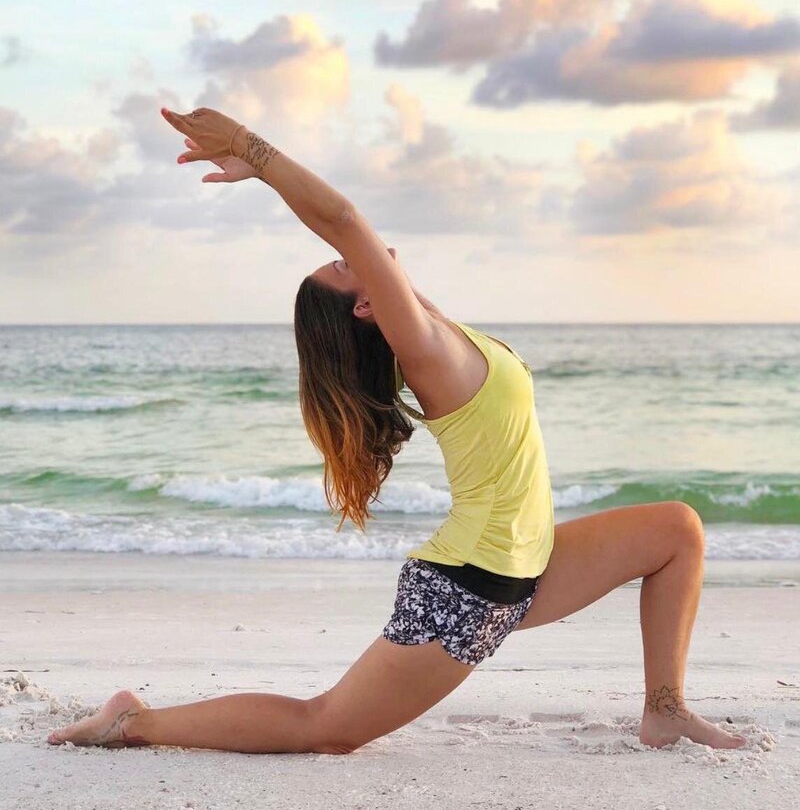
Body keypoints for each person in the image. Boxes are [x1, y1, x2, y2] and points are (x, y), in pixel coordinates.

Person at [46, 107, 747, 753]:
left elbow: (364, 235)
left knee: (677, 530)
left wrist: (322, 217)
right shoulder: (425, 352)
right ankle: (133, 721)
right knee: (324, 727)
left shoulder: (437, 327)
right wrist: (256, 156)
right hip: (474, 586)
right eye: (349, 267)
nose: (366, 254)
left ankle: (665, 708)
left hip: (527, 565)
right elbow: (344, 218)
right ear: (365, 308)